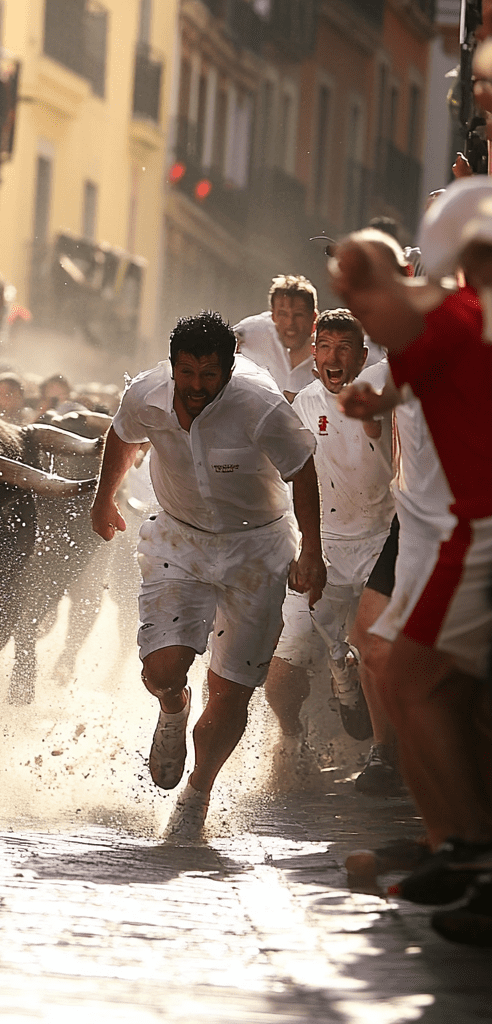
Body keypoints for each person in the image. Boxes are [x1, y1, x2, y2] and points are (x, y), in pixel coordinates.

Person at [91, 311, 325, 838]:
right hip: (179, 537)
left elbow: (303, 471)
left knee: (232, 691)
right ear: (173, 366)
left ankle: (196, 796)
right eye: (187, 374)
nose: (196, 387)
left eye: (208, 375)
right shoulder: (145, 395)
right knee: (162, 668)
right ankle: (172, 708)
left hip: (258, 548)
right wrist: (103, 499)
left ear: (228, 367)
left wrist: (311, 550)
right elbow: (122, 437)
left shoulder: (260, 406)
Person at [331, 178, 492, 940]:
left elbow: (405, 326)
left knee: (410, 679)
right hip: (458, 527)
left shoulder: (460, 316)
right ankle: (458, 850)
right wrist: (378, 399)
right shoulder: (464, 321)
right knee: (442, 693)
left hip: (477, 529)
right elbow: (404, 371)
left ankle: (467, 852)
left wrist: (365, 268)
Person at [263, 309, 394, 758]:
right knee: (279, 679)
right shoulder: (303, 405)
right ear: (314, 355)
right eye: (325, 348)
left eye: (345, 349)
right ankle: (294, 745)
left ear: (362, 356)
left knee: (381, 654)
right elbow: (292, 479)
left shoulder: (381, 390)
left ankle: (383, 751)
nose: (333, 357)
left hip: (384, 543)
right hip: (325, 550)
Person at [233, 276, 319, 402]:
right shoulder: (252, 330)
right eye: (283, 314)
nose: (291, 322)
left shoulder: (329, 347)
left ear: (314, 316)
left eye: (298, 314)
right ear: (273, 316)